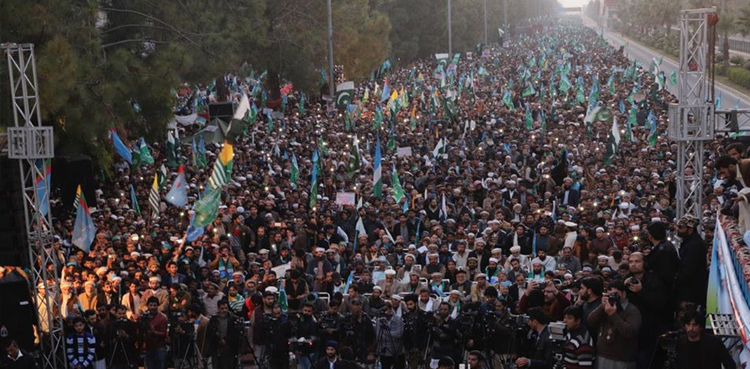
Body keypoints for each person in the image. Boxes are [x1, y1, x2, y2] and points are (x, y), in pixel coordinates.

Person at [588, 281, 642, 369]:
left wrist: (613, 315)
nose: (613, 297)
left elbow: (630, 332)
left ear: (624, 294)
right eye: (610, 295)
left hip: (621, 359)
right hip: (602, 355)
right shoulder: (606, 307)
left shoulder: (632, 310)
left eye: (616, 294)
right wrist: (601, 306)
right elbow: (590, 322)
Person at [207, 299, 241, 369]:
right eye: (222, 309)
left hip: (230, 347)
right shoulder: (213, 319)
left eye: (226, 308)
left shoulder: (233, 319)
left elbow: (235, 333)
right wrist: (218, 339)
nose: (224, 310)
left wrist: (226, 340)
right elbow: (210, 333)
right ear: (218, 308)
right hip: (217, 346)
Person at [374, 304, 404, 369]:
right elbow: (378, 336)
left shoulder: (398, 320)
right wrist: (390, 335)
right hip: (383, 351)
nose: (386, 312)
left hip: (396, 351)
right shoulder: (379, 321)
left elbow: (399, 334)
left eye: (387, 309)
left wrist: (386, 333)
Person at [142, 297, 168, 369]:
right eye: (151, 305)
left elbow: (164, 334)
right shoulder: (144, 317)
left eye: (154, 305)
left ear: (158, 306)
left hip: (159, 347)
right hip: (147, 347)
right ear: (147, 306)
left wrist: (154, 332)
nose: (152, 307)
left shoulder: (162, 318)